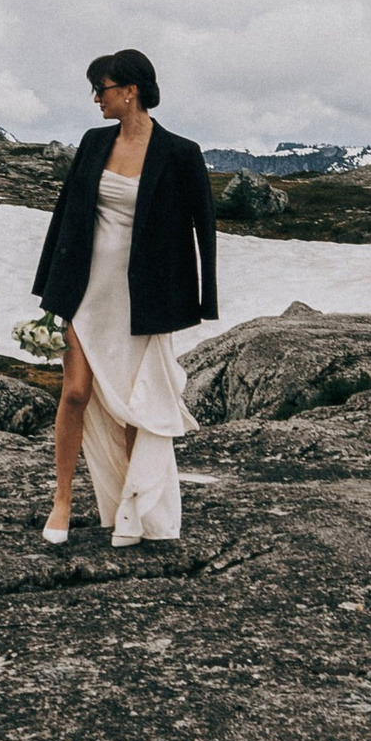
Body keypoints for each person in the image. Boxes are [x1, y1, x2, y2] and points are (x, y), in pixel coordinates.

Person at [30, 47, 218, 546]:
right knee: (75, 393)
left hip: (142, 302)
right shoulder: (94, 143)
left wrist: (200, 301)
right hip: (85, 290)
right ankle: (62, 500)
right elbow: (66, 217)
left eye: (103, 89)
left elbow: (203, 228)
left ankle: (133, 510)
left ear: (131, 91)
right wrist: (50, 294)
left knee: (134, 409)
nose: (97, 98)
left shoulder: (180, 153)